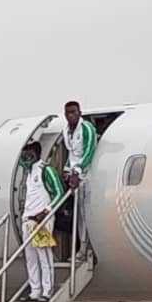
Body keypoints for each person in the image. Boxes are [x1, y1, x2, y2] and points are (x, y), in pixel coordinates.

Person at [20, 142, 65, 302]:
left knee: (43, 255)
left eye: (30, 153)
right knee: (30, 257)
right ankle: (35, 291)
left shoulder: (46, 170)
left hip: (42, 220)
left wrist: (46, 211)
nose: (27, 157)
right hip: (27, 219)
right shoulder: (28, 172)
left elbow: (59, 193)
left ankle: (47, 290)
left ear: (37, 153)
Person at [58, 100, 97, 253]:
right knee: (79, 213)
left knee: (86, 212)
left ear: (79, 113)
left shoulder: (87, 128)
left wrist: (78, 171)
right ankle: (82, 246)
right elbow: (72, 154)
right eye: (68, 113)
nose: (71, 115)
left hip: (86, 174)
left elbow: (89, 151)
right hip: (75, 175)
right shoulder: (66, 131)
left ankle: (87, 247)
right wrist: (67, 169)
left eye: (73, 112)